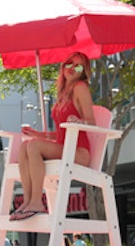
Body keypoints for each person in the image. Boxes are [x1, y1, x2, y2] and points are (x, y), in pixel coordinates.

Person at [9, 52, 95, 221]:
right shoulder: (63, 92)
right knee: (26, 145)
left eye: (78, 66)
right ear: (63, 65)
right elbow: (61, 133)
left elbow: (91, 121)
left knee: (33, 146)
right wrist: (38, 134)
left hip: (78, 152)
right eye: (70, 63)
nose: (72, 68)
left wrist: (79, 121)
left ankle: (36, 202)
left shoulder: (80, 88)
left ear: (83, 72)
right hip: (64, 147)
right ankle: (28, 201)